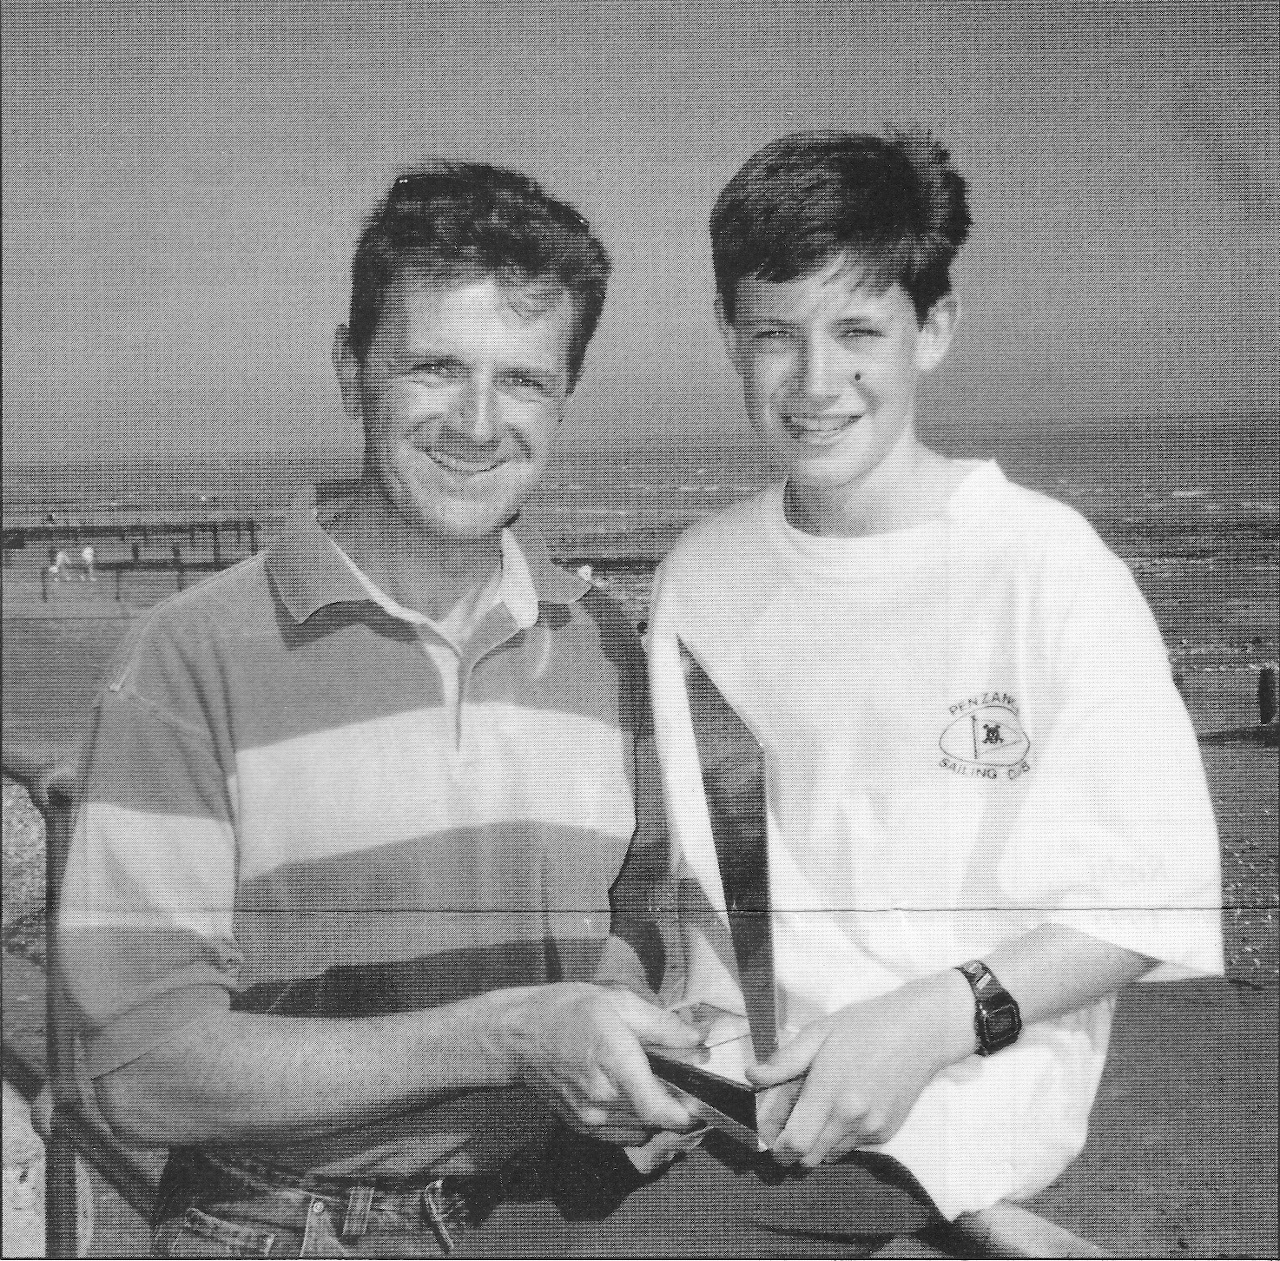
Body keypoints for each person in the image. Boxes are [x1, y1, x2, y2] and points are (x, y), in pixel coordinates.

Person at [58, 163, 704, 1258]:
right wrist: (507, 1039)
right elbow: (137, 1076)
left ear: (564, 398)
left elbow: (624, 936)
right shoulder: (188, 657)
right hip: (276, 1225)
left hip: (543, 1217)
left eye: (524, 382)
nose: (476, 422)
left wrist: (614, 1043)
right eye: (433, 368)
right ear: (352, 372)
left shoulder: (607, 650)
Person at [644, 131, 1224, 1232]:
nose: (815, 382)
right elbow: (703, 888)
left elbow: (1148, 899)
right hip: (751, 1111)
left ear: (934, 329)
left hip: (969, 1107)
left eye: (858, 330)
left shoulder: (1041, 562)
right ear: (731, 340)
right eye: (776, 336)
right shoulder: (701, 576)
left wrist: (923, 1023)